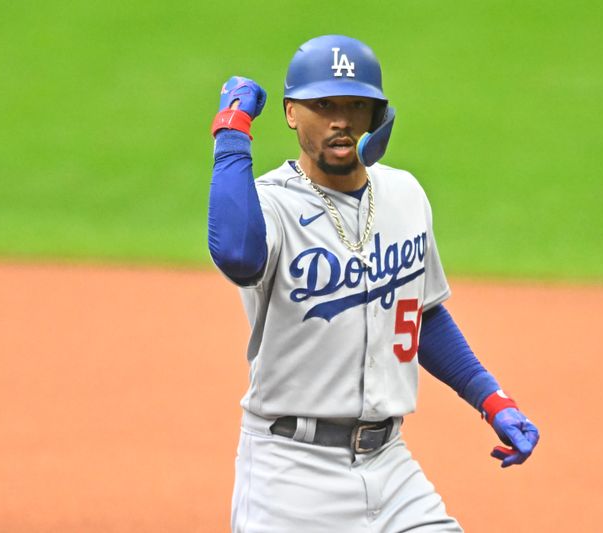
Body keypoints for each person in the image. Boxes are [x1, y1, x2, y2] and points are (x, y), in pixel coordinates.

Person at [208, 34, 540, 533]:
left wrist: (491, 398)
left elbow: (419, 313)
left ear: (377, 115)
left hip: (390, 466)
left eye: (356, 105)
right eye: (323, 105)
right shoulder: (270, 205)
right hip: (290, 478)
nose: (341, 120)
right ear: (291, 113)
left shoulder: (405, 194)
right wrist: (232, 129)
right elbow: (237, 255)